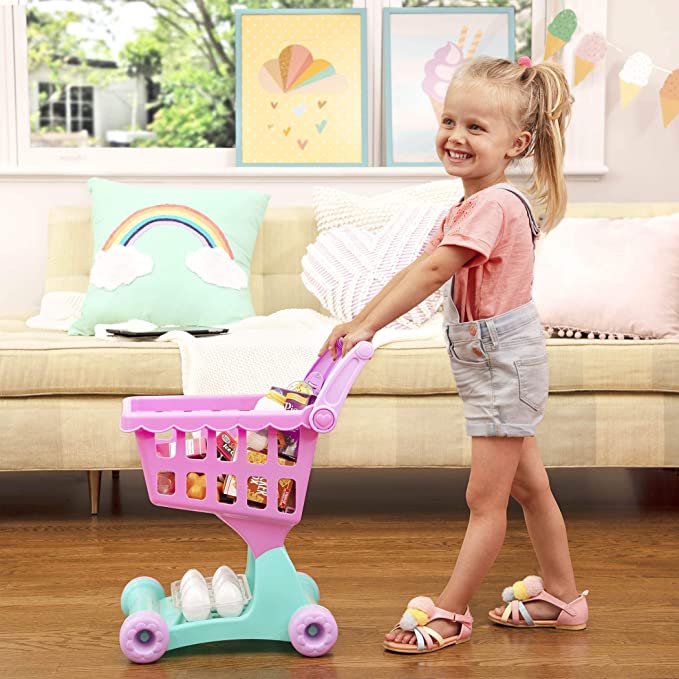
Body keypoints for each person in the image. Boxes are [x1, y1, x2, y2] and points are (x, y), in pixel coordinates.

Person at [319, 56, 589, 655]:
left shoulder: (493, 205)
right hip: (498, 365)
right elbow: (420, 267)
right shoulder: (474, 204)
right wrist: (360, 320)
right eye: (449, 120)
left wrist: (368, 324)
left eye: (476, 127)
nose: (456, 137)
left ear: (516, 143)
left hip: (502, 368)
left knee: (484, 501)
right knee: (530, 489)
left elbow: (438, 269)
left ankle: (450, 612)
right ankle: (563, 595)